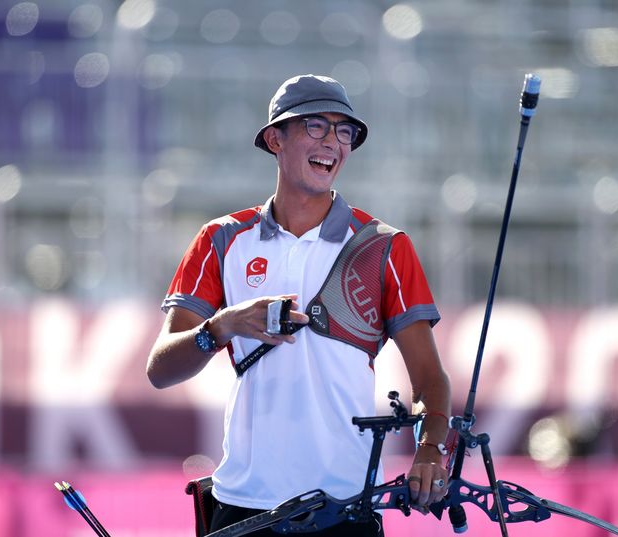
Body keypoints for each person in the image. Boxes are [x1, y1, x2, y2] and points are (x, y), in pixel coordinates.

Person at [146, 74, 451, 536]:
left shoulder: (384, 246)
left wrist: (431, 450)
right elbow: (161, 369)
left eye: (343, 131)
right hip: (242, 504)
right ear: (275, 138)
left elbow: (429, 378)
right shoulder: (222, 238)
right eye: (315, 126)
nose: (332, 142)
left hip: (344, 507)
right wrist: (223, 326)